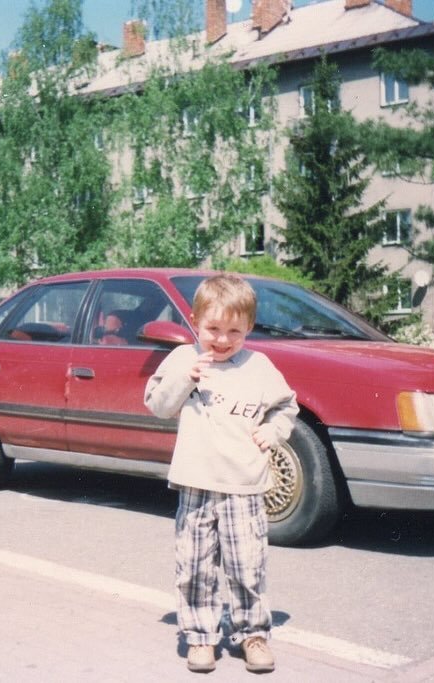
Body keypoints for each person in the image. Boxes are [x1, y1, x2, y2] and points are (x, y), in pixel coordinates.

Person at [144, 273, 298, 674]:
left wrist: (273, 431)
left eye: (235, 331)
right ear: (195, 321)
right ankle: (200, 637)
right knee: (195, 565)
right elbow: (158, 404)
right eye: (213, 329)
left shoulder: (259, 366)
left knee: (247, 564)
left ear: (249, 327)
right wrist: (186, 377)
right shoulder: (183, 358)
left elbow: (287, 406)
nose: (223, 340)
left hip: (243, 485)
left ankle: (253, 634)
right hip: (196, 482)